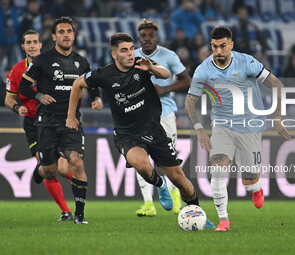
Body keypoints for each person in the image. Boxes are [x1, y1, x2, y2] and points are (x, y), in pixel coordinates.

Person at [66, 32, 215, 229]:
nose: (129, 54)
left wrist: (151, 67)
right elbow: (77, 83)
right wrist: (71, 116)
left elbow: (165, 74)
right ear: (114, 54)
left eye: (130, 49)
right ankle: (160, 185)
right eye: (124, 50)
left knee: (179, 178)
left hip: (154, 129)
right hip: (127, 135)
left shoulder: (141, 63)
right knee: (141, 164)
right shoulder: (104, 74)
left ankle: (199, 214)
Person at [185, 27, 291, 231]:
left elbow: (277, 84)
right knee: (217, 170)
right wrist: (199, 129)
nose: (218, 51)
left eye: (223, 46)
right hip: (222, 125)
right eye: (214, 47)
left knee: (249, 181)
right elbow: (190, 102)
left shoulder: (247, 62)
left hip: (250, 124)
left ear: (231, 45)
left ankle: (256, 188)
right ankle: (223, 220)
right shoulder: (203, 70)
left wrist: (277, 117)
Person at [18, 17, 103, 224]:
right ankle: (41, 168)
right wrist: (38, 96)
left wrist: (97, 98)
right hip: (46, 122)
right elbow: (23, 87)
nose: (66, 35)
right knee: (50, 170)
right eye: (62, 32)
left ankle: (80, 216)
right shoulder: (42, 60)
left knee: (76, 161)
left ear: (74, 35)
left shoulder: (81, 62)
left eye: (69, 31)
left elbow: (92, 85)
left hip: (71, 121)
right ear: (54, 36)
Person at [5, 29, 76, 221]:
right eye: (28, 42)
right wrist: (17, 108)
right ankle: (66, 211)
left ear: (40, 44)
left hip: (55, 120)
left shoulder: (53, 65)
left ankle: (77, 182)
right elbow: (9, 99)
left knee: (62, 169)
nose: (32, 46)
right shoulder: (17, 70)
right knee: (50, 170)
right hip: (34, 124)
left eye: (35, 42)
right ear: (23, 46)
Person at [134, 19, 191, 216]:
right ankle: (148, 203)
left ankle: (175, 197)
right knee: (140, 158)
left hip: (165, 113)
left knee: (170, 157)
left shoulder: (169, 56)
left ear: (157, 38)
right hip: (139, 115)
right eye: (143, 36)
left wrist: (164, 89)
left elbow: (186, 80)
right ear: (139, 38)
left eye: (151, 35)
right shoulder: (132, 56)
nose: (147, 39)